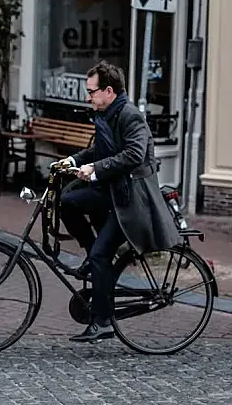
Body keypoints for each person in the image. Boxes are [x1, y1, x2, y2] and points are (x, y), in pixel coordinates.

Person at [56, 61, 180, 343]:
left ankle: (102, 322)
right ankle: (92, 256)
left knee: (102, 254)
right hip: (112, 191)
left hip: (130, 200)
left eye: (92, 91)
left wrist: (96, 170)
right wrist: (73, 161)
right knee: (67, 202)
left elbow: (134, 155)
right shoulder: (106, 114)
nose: (88, 97)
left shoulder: (129, 115)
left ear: (109, 91)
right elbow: (98, 150)